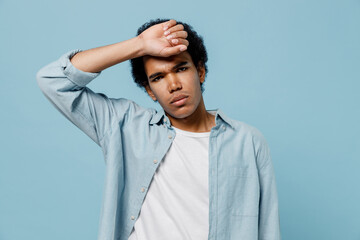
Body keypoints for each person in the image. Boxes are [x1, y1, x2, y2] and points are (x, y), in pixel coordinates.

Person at [36, 18, 281, 240]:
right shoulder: (125, 126)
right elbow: (53, 81)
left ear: (201, 71)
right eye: (158, 78)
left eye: (181, 69)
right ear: (149, 91)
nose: (173, 85)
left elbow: (268, 230)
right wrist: (140, 45)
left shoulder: (248, 142)